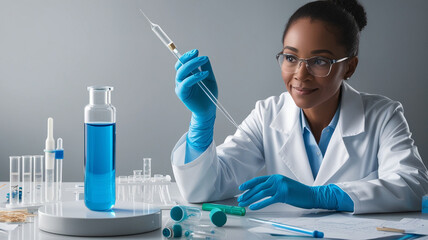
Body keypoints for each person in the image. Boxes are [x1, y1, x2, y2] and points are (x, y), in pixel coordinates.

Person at [170, 0, 428, 214]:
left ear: (349, 66)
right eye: (291, 58)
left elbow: (414, 185)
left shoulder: (382, 116)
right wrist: (202, 119)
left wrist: (322, 196)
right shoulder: (267, 115)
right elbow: (204, 189)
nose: (300, 75)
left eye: (319, 61)